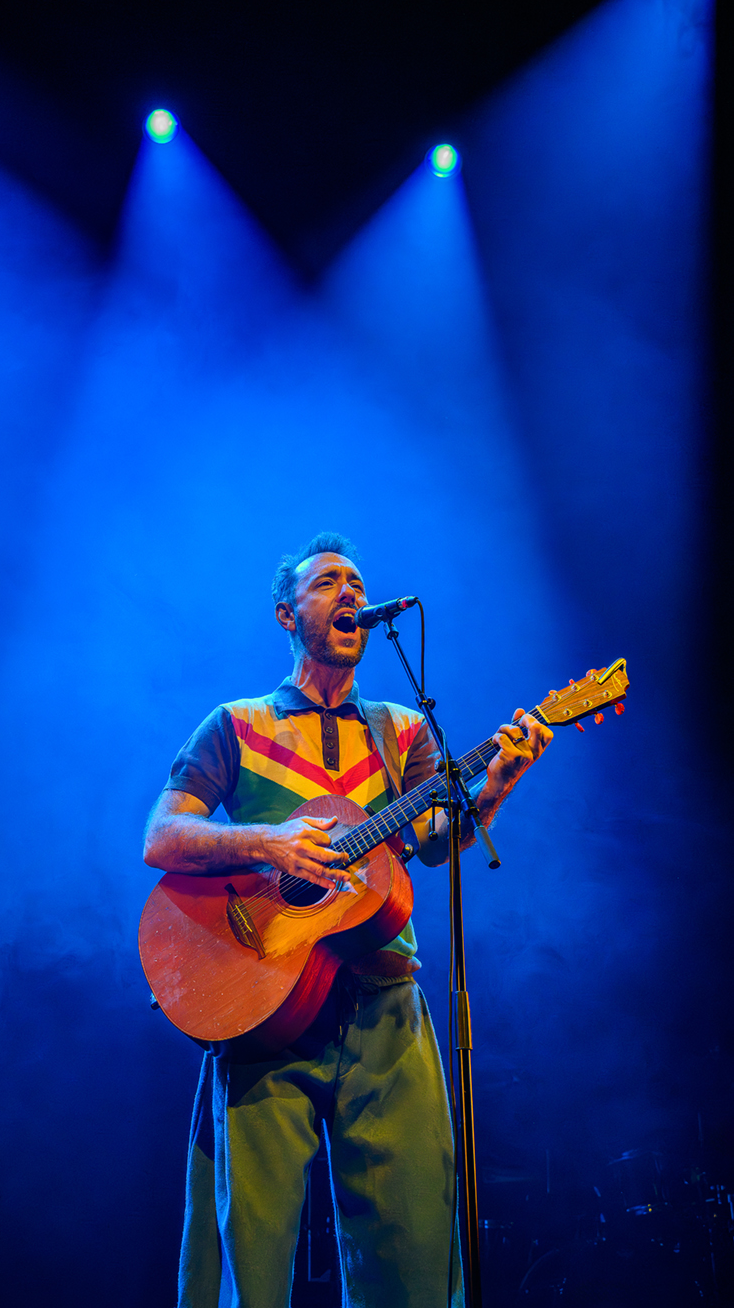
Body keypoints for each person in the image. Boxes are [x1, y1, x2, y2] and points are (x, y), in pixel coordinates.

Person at [143, 532, 553, 1308]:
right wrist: (268, 841)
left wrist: (495, 784)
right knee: (249, 1259)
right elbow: (161, 836)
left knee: (413, 1247)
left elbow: (435, 843)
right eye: (328, 582)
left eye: (357, 582)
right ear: (285, 614)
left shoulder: (402, 730)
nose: (351, 593)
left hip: (384, 1008)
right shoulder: (235, 724)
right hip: (263, 1004)